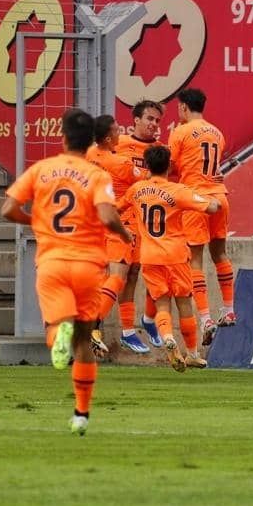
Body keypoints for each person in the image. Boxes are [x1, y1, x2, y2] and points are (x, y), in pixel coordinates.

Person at [1, 108, 133, 435]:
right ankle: (81, 414)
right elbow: (106, 216)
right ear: (91, 142)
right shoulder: (97, 174)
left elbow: (7, 209)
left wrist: (36, 221)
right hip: (88, 265)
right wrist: (124, 233)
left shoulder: (42, 169)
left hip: (52, 263)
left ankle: (57, 335)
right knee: (84, 339)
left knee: (57, 325)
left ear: (62, 138)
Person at [120, 145, 219, 371]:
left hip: (150, 256)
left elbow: (116, 208)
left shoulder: (137, 190)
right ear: (169, 165)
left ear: (146, 166)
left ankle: (167, 338)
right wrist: (214, 198)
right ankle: (192, 354)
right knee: (184, 303)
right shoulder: (177, 191)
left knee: (162, 302)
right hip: (175, 255)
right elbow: (212, 207)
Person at [168, 88, 237, 346]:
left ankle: (206, 318)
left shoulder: (181, 132)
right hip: (220, 197)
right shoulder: (217, 132)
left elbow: (171, 165)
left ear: (184, 107)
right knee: (220, 254)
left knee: (195, 261)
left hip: (196, 199)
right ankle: (229, 309)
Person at [85, 113, 149, 356]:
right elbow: (150, 178)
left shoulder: (90, 154)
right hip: (119, 222)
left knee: (103, 278)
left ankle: (105, 330)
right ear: (108, 137)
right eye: (116, 129)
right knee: (119, 277)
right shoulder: (120, 164)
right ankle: (91, 324)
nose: (120, 131)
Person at [110, 100, 167, 350]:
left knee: (139, 274)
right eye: (149, 119)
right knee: (118, 276)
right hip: (119, 219)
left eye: (157, 120)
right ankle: (107, 329)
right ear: (135, 120)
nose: (153, 124)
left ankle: (139, 324)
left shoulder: (159, 150)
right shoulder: (118, 145)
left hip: (145, 222)